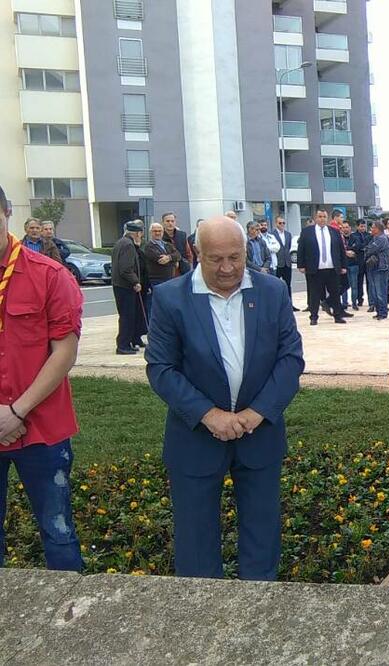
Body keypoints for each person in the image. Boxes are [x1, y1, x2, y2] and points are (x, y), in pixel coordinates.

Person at [145, 216, 304, 580]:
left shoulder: (272, 291)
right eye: (216, 259)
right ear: (196, 253)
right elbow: (161, 368)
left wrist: (257, 413)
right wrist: (209, 415)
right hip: (196, 438)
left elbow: (290, 358)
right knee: (195, 541)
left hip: (259, 435)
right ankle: (201, 621)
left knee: (262, 535)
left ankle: (258, 613)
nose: (228, 268)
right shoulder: (171, 299)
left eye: (236, 257)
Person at [0, 183, 84, 573]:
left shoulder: (50, 275)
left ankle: (70, 622)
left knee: (59, 531)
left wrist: (16, 411)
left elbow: (63, 352)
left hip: (42, 429)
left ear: (7, 214)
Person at [297, 210, 349, 325]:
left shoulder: (334, 232)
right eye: (320, 216)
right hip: (315, 269)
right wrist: (300, 265)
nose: (322, 219)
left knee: (335, 294)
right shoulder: (307, 232)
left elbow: (341, 250)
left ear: (327, 218)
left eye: (324, 217)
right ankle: (313, 317)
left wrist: (343, 266)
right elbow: (301, 249)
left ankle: (337, 316)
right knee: (314, 295)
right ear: (316, 217)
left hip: (332, 268)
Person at [111, 221, 147, 354]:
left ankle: (128, 342)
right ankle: (123, 345)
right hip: (125, 286)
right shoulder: (128, 245)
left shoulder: (121, 242)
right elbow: (125, 269)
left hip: (120, 285)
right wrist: (135, 282)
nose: (141, 237)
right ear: (137, 233)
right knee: (127, 316)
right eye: (140, 234)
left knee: (127, 315)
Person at [143, 222, 181, 303]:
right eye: (155, 231)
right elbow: (160, 260)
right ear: (150, 233)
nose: (157, 233)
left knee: (169, 303)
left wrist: (169, 257)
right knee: (159, 303)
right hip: (156, 280)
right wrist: (173, 262)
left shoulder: (167, 244)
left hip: (169, 279)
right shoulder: (149, 246)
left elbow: (178, 255)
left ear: (163, 232)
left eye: (159, 231)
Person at [365, 221, 389, 320]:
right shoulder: (374, 238)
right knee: (375, 291)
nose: (371, 229)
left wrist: (367, 250)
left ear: (377, 229)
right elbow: (367, 249)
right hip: (374, 268)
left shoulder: (382, 239)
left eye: (372, 227)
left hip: (381, 268)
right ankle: (379, 311)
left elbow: (370, 250)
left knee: (380, 292)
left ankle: (383, 312)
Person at [270, 216, 298, 311]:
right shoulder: (272, 234)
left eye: (283, 223)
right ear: (276, 223)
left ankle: (290, 304)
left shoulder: (288, 234)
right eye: (280, 223)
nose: (282, 225)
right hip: (278, 263)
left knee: (288, 285)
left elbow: (288, 247)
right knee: (276, 285)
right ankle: (277, 305)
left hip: (287, 263)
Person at [347, 220, 371, 310]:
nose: (363, 228)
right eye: (361, 226)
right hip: (358, 261)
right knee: (358, 282)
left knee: (369, 282)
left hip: (368, 261)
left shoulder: (368, 235)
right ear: (357, 227)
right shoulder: (353, 236)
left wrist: (360, 246)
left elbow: (369, 246)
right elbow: (351, 247)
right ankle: (359, 299)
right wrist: (360, 247)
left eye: (364, 226)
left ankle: (371, 300)